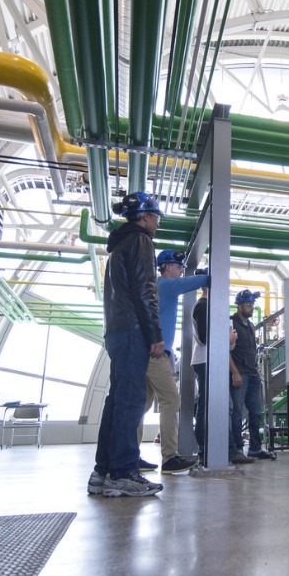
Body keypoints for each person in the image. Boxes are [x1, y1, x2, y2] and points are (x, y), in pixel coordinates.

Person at [87, 191, 166, 498]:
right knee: (131, 401)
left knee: (117, 401)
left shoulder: (118, 245)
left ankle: (103, 471)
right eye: (156, 217)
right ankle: (123, 473)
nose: (157, 223)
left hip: (116, 330)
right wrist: (155, 334)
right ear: (145, 217)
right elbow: (146, 291)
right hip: (134, 330)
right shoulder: (142, 241)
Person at [146, 249, 207, 474]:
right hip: (157, 355)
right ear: (167, 267)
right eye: (178, 266)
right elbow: (202, 280)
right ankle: (169, 458)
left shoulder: (156, 287)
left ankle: (131, 456)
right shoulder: (167, 285)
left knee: (141, 405)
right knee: (171, 400)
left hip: (149, 354)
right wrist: (210, 273)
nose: (181, 270)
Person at [191, 288, 245, 465]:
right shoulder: (202, 306)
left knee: (219, 406)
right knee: (206, 406)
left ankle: (221, 450)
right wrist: (226, 338)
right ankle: (204, 450)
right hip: (206, 361)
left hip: (214, 360)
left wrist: (230, 342)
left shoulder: (211, 307)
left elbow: (218, 342)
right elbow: (205, 338)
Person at [230, 290, 276, 462]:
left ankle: (255, 448)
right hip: (240, 373)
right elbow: (226, 351)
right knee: (236, 413)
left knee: (256, 412)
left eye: (252, 305)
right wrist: (235, 373)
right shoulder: (231, 323)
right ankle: (237, 450)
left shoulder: (250, 325)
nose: (251, 308)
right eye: (248, 305)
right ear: (239, 305)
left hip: (253, 374)